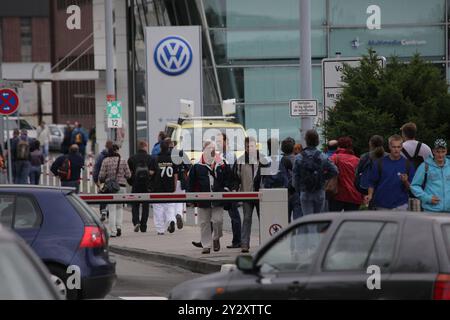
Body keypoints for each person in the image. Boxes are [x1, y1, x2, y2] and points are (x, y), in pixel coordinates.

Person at [188, 140, 231, 254]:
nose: (212, 151)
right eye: (209, 148)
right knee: (204, 222)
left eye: (213, 149)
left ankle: (216, 237)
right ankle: (206, 245)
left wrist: (226, 189)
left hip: (218, 198)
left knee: (218, 221)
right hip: (203, 198)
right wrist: (191, 199)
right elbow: (191, 182)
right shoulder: (197, 165)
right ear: (204, 150)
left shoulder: (221, 163)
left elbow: (229, 178)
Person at [233, 136, 270, 253]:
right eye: (247, 146)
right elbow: (235, 177)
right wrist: (235, 189)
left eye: (252, 146)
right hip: (246, 194)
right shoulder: (240, 161)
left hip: (261, 195)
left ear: (256, 146)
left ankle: (264, 243)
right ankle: (244, 244)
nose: (250, 148)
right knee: (247, 219)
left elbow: (269, 177)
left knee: (263, 219)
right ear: (245, 147)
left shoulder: (263, 160)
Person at [293, 129, 338, 215]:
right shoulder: (323, 156)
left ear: (306, 140)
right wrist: (323, 177)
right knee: (318, 219)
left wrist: (299, 189)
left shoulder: (299, 157)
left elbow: (295, 177)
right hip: (319, 191)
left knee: (308, 219)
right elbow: (335, 170)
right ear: (317, 140)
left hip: (305, 191)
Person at [366, 134, 415, 211]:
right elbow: (371, 183)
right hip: (381, 205)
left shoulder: (408, 164)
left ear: (402, 147)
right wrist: (370, 195)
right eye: (394, 147)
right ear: (389, 147)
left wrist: (405, 181)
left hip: (401, 206)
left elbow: (412, 188)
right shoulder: (379, 163)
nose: (396, 149)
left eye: (398, 147)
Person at [150, 139, 183, 235]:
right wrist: (174, 186)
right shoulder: (172, 159)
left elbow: (151, 173)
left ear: (160, 148)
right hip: (169, 186)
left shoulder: (155, 159)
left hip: (158, 187)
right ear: (168, 147)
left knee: (158, 208)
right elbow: (175, 175)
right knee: (170, 206)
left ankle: (160, 230)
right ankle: (171, 220)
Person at [99, 144, 131, 237]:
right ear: (117, 151)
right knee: (120, 208)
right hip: (121, 187)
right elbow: (128, 175)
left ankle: (113, 231)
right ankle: (119, 227)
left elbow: (101, 176)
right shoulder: (123, 161)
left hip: (110, 188)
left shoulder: (105, 161)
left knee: (112, 209)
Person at [216, 133, 241, 249]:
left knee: (234, 215)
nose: (218, 143)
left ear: (226, 142)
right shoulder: (218, 155)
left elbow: (232, 174)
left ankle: (237, 241)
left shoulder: (230, 155)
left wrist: (232, 188)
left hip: (230, 189)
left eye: (220, 141)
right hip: (220, 189)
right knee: (215, 216)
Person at [411, 139, 450, 213]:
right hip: (431, 211)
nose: (440, 155)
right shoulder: (425, 166)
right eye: (438, 152)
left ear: (446, 151)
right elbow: (414, 185)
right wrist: (427, 198)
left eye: (443, 151)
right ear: (433, 151)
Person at [328, 137, 363, 212]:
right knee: (350, 222)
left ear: (339, 146)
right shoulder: (357, 160)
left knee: (334, 221)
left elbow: (326, 171)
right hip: (354, 196)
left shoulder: (334, 158)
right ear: (350, 147)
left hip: (337, 195)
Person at [127, 140, 154, 233]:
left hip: (136, 185)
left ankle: (136, 222)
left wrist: (131, 182)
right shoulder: (150, 158)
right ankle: (143, 226)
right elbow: (155, 172)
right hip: (147, 186)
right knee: (145, 206)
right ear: (145, 147)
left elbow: (128, 174)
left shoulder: (132, 159)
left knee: (135, 205)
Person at [354, 135, 387, 207]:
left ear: (370, 143)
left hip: (368, 188)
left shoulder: (365, 156)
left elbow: (358, 172)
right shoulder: (388, 156)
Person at [279, 137, 302, 222]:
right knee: (298, 219)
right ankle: (297, 235)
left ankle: (286, 235)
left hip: (284, 191)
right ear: (293, 148)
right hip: (297, 191)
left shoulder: (279, 160)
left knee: (285, 219)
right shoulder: (299, 159)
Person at [93, 140, 113, 220]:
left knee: (102, 195)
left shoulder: (101, 156)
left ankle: (103, 211)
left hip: (102, 179)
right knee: (111, 196)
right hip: (112, 180)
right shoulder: (114, 156)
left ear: (105, 146)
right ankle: (109, 211)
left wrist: (95, 179)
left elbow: (96, 168)